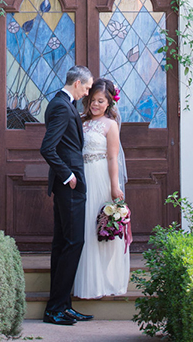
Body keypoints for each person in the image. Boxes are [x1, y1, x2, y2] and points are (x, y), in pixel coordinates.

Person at [40, 65, 94, 326]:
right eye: (86, 87)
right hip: (68, 185)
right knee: (73, 242)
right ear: (77, 84)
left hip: (67, 185)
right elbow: (47, 148)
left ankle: (62, 306)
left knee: (62, 243)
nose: (87, 92)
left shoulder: (63, 103)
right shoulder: (62, 106)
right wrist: (69, 176)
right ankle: (55, 310)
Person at [73, 78, 131, 299]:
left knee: (99, 227)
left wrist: (115, 187)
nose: (95, 104)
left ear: (109, 103)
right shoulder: (80, 121)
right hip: (81, 176)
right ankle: (84, 281)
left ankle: (104, 282)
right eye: (93, 100)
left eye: (101, 101)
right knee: (84, 227)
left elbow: (113, 158)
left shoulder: (110, 125)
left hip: (100, 178)